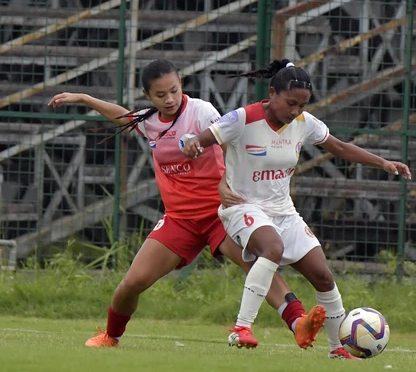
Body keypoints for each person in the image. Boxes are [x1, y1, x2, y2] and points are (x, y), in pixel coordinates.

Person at [48, 58, 326, 350]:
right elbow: (123, 117)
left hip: (220, 213)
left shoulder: (201, 111)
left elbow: (232, 143)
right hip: (180, 219)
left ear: (181, 84)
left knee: (258, 265)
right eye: (160, 95)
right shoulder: (150, 121)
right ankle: (110, 336)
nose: (169, 99)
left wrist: (224, 183)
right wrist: (84, 98)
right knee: (132, 282)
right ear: (147, 95)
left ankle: (298, 323)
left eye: (174, 90)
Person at [180, 59, 412, 360]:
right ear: (272, 93)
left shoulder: (304, 123)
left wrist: (383, 163)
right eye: (291, 103)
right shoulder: (243, 118)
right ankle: (241, 327)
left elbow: (340, 147)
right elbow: (200, 140)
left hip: (284, 212)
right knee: (272, 248)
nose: (295, 111)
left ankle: (336, 348)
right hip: (242, 207)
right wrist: (191, 145)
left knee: (323, 275)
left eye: (302, 105)